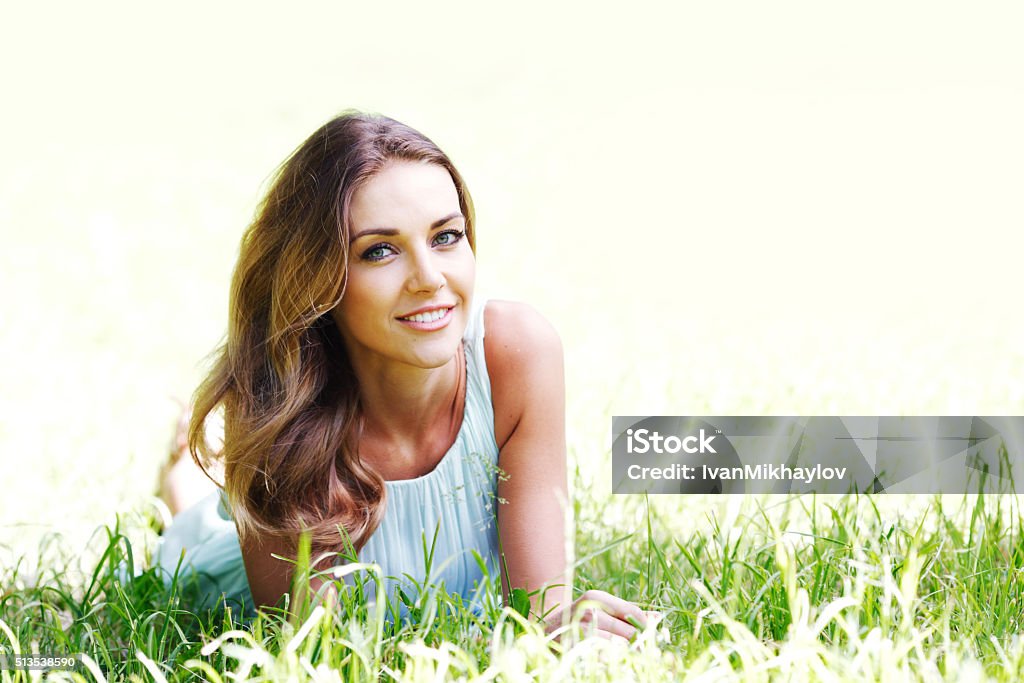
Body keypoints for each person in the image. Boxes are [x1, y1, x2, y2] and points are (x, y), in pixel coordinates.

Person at [156, 110, 655, 640]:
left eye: (446, 237)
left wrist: (567, 628)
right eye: (380, 251)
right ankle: (185, 479)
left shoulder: (517, 352)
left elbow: (538, 616)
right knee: (192, 531)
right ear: (317, 278)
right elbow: (317, 650)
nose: (429, 279)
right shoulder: (276, 405)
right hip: (221, 569)